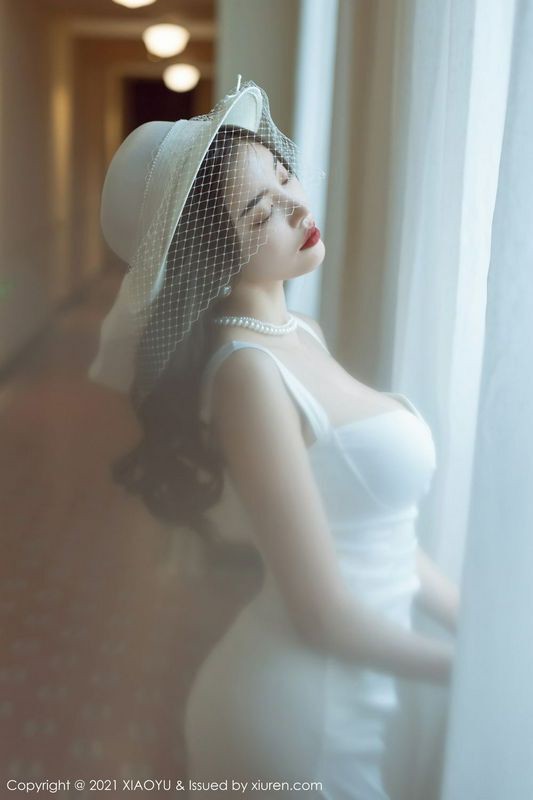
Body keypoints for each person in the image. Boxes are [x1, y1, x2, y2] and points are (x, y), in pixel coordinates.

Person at [90, 77, 459, 799]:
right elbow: (320, 614)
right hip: (299, 724)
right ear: (211, 251)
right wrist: (478, 672)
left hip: (352, 691)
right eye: (261, 209)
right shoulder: (248, 373)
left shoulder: (298, 334)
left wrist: (477, 626)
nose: (296, 207)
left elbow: (384, 537)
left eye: (285, 177)